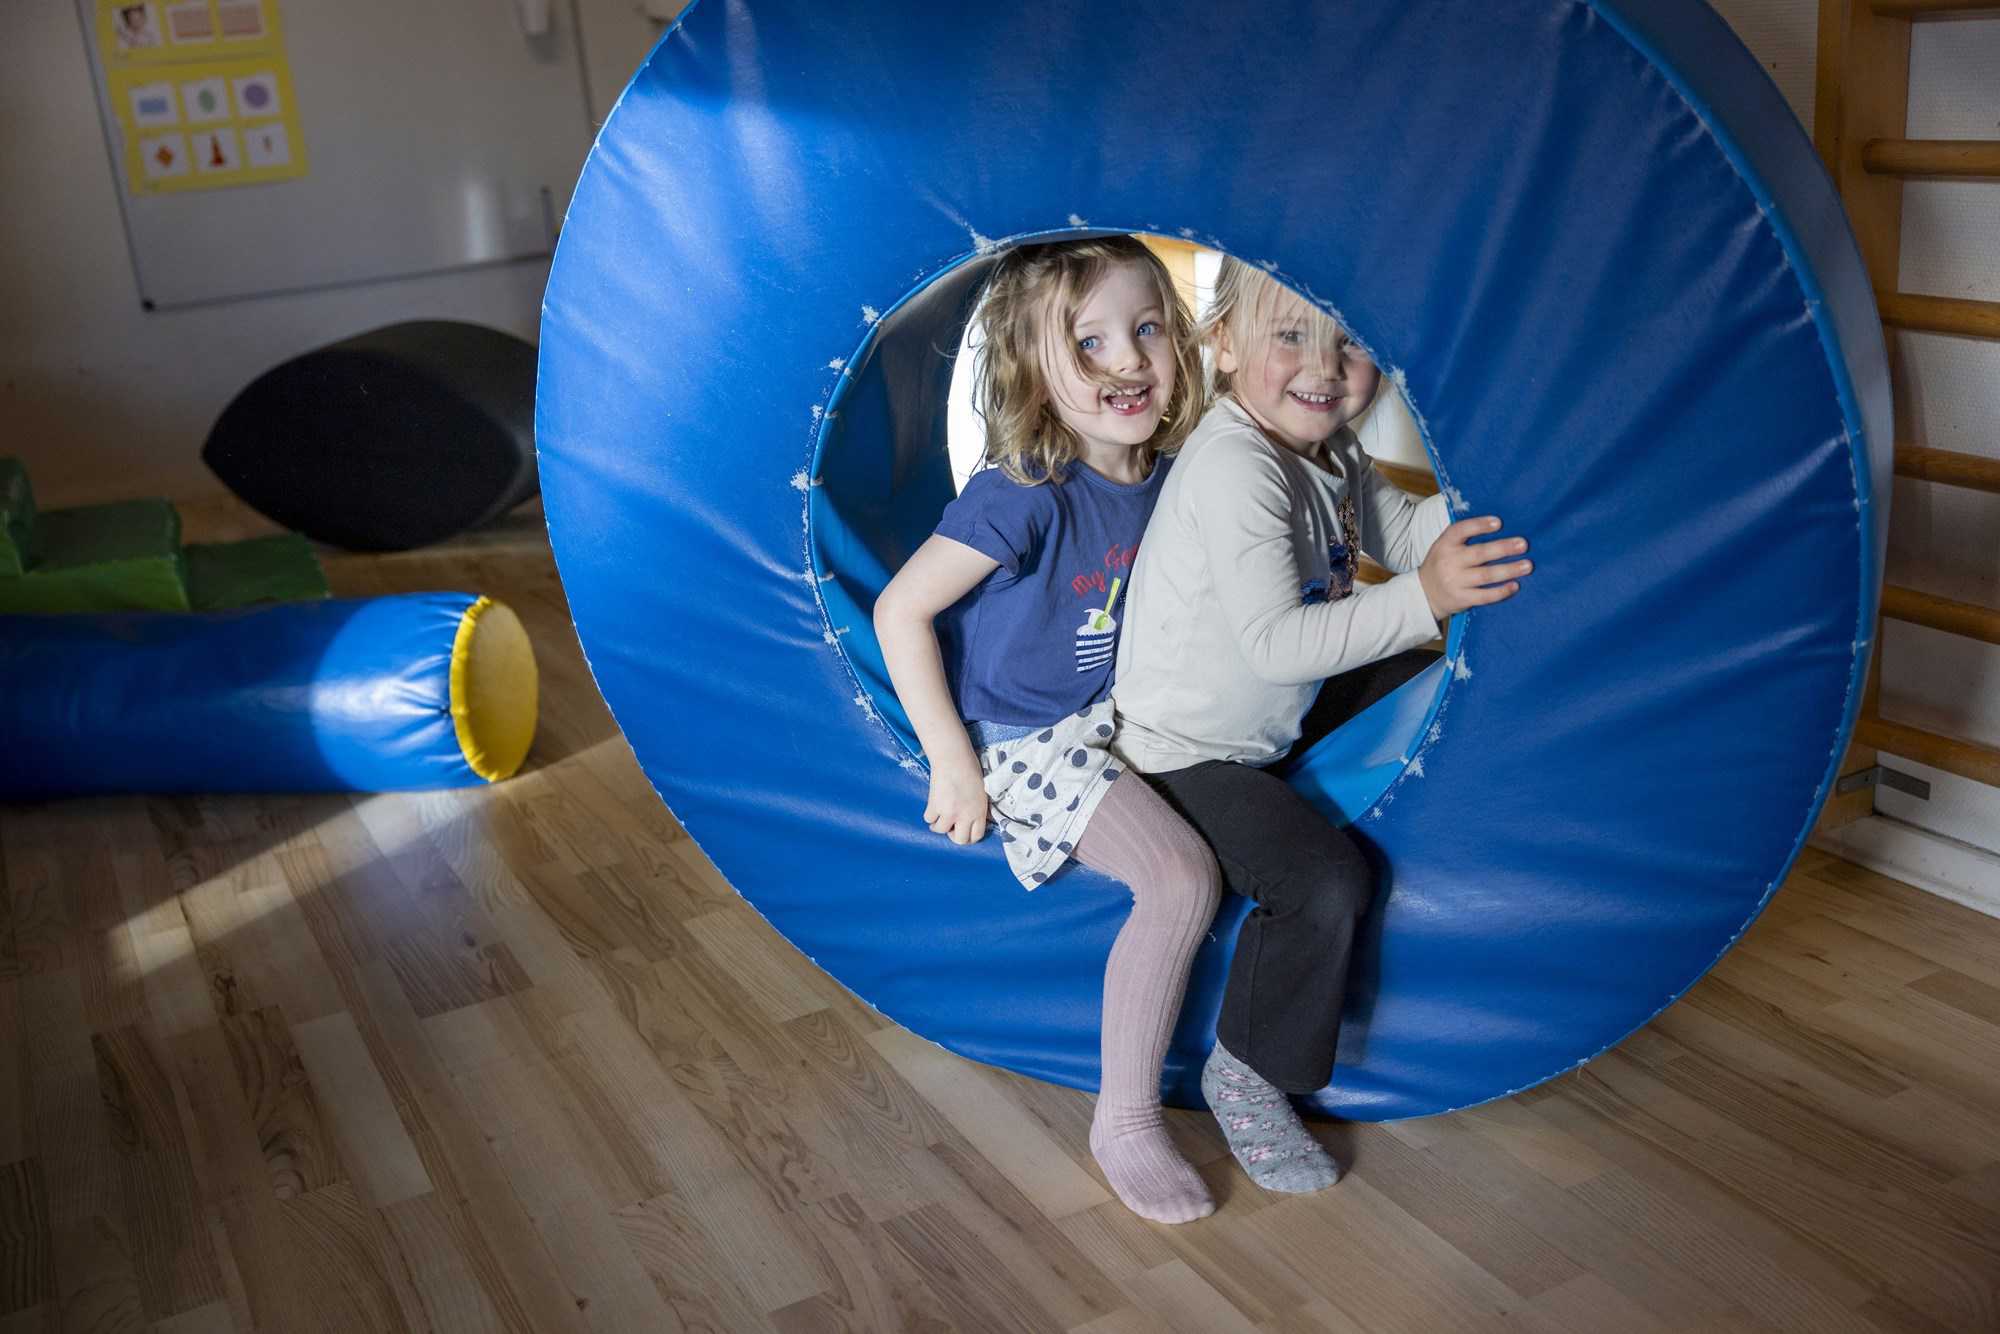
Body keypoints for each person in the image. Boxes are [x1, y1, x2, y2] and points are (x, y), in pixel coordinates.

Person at [1113, 257, 1535, 1192]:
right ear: (1224, 346)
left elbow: (1405, 533)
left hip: (1272, 718)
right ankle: (1249, 1072)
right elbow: (1277, 644)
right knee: (1323, 883)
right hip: (1184, 754)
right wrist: (1426, 597)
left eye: (1349, 342)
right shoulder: (1237, 466)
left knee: (1419, 669)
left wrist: (1488, 512)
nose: (1324, 366)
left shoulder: (1329, 450)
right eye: (1291, 336)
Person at [874, 236, 1222, 1224]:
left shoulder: (1178, 473)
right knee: (1180, 878)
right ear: (1033, 368)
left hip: (1131, 708)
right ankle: (1125, 1118)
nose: (1128, 360)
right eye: (1089, 341)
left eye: (1146, 328)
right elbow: (901, 610)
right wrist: (952, 761)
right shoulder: (1023, 492)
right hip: (1030, 736)